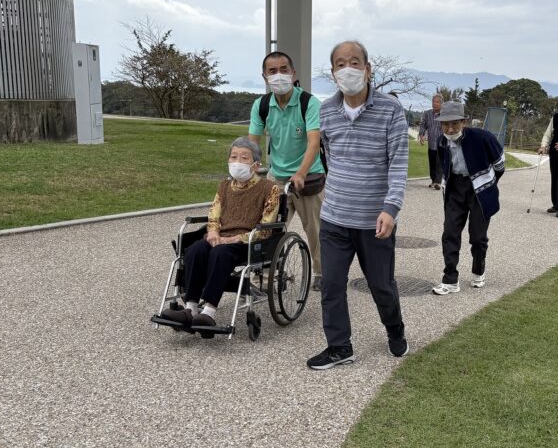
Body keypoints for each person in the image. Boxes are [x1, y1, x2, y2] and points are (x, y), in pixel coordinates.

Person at [307, 40, 410, 370]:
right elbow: (328, 157)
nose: (347, 68)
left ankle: (395, 330)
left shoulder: (391, 111)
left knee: (382, 286)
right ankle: (340, 347)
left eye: (354, 62)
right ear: (333, 72)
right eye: (340, 63)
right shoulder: (326, 111)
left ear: (368, 70)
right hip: (335, 218)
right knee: (331, 286)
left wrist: (391, 208)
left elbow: (398, 162)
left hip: (374, 222)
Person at [160, 138, 279, 337]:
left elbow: (266, 228)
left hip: (247, 241)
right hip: (220, 237)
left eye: (244, 158)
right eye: (233, 157)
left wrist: (234, 239)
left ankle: (209, 311)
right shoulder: (224, 186)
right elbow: (213, 214)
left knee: (220, 253)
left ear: (256, 164)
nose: (237, 161)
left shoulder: (269, 188)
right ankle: (190, 308)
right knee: (196, 249)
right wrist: (214, 232)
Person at [248, 51, 325, 290]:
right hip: (276, 177)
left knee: (314, 229)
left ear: (293, 73)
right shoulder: (261, 105)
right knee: (268, 227)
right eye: (272, 71)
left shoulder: (309, 103)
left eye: (284, 70)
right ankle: (266, 275)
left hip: (308, 177)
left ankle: (322, 273)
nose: (278, 75)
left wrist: (301, 172)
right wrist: (249, 166)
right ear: (264, 77)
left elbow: (314, 142)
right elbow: (253, 142)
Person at [431, 102, 506, 295]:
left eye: (454, 124)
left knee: (478, 236)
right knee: (450, 233)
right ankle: (450, 279)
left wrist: (487, 183)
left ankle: (478, 271)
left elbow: (500, 164)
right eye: (445, 124)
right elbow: (444, 164)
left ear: (463, 122)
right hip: (455, 188)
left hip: (480, 190)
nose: (449, 129)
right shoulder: (442, 141)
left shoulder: (483, 138)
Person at [417, 94, 443, 189]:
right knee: (432, 163)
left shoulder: (445, 115)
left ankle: (438, 182)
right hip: (431, 144)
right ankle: (433, 180)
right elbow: (423, 125)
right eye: (433, 102)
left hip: (442, 144)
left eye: (437, 102)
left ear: (441, 104)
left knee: (439, 163)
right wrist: (421, 135)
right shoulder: (427, 114)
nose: (434, 104)